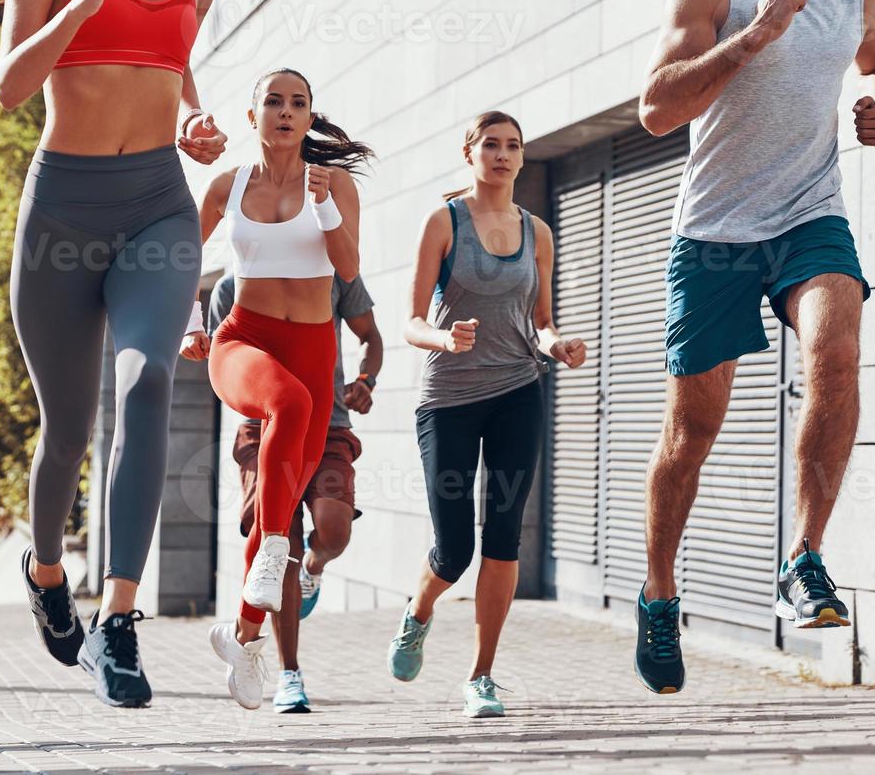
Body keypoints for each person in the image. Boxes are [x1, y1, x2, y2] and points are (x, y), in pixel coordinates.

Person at [0, 0, 227, 708]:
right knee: (66, 429)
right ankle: (44, 573)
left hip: (157, 203)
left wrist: (193, 117)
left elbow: (178, 66)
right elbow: (8, 87)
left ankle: (119, 620)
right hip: (64, 209)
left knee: (147, 380)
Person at [634, 0, 875, 695]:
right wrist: (750, 39)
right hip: (711, 231)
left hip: (808, 212)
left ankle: (804, 560)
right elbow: (655, 109)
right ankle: (660, 594)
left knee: (835, 352)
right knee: (691, 433)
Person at [387, 111, 585, 719]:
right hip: (448, 399)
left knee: (503, 536)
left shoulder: (538, 231)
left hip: (518, 391)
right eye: (491, 145)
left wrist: (558, 345)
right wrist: (444, 340)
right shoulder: (443, 222)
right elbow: (411, 321)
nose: (503, 154)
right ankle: (418, 614)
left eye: (513, 146)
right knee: (453, 551)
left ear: (522, 158)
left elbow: (541, 318)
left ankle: (481, 676)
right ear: (469, 153)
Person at [184, 68, 369, 710]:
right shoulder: (226, 186)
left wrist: (322, 203)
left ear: (311, 116)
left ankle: (245, 639)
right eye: (273, 101)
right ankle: (274, 550)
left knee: (289, 488)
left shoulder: (335, 182)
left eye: (298, 103)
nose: (286, 112)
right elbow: (178, 255)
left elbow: (347, 268)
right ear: (251, 114)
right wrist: (189, 323)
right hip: (245, 341)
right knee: (286, 410)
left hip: (315, 349)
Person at [196, 268, 383, 712]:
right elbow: (226, 364)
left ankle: (313, 568)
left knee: (334, 530)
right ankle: (289, 674)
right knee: (280, 545)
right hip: (262, 429)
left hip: (330, 422)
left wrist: (365, 380)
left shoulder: (335, 274)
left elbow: (371, 336)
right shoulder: (229, 288)